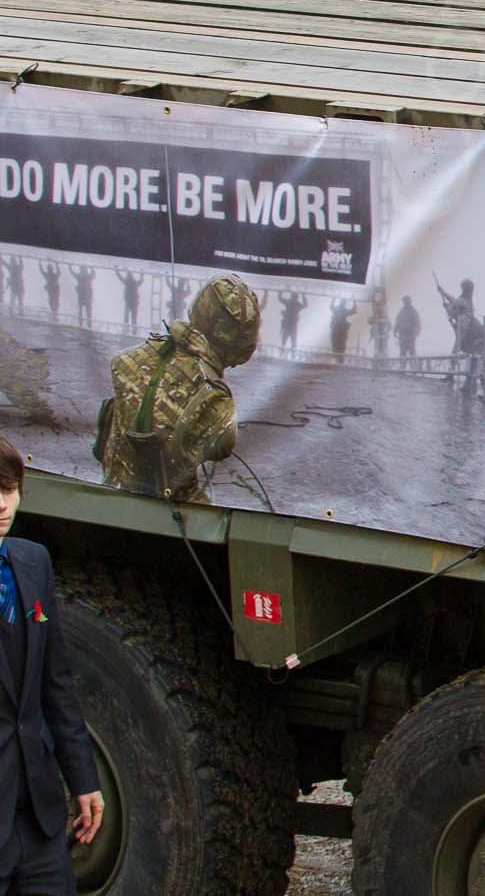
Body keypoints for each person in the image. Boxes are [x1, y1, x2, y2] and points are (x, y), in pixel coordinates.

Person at [0, 436, 106, 895]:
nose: (1, 505)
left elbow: (55, 683)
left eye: (7, 490)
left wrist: (83, 779)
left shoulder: (32, 561)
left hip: (37, 816)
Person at [95, 273, 260, 503]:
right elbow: (222, 448)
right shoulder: (216, 399)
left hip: (109, 499)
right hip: (170, 517)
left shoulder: (129, 359)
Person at [394, 293, 421, 361]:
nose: (405, 303)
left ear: (410, 302)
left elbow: (418, 325)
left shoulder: (413, 312)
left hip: (410, 337)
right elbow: (397, 323)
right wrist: (395, 331)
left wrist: (415, 334)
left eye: (407, 301)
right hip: (402, 337)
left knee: (412, 355)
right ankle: (402, 370)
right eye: (404, 301)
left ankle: (415, 370)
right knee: (402, 356)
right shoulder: (401, 312)